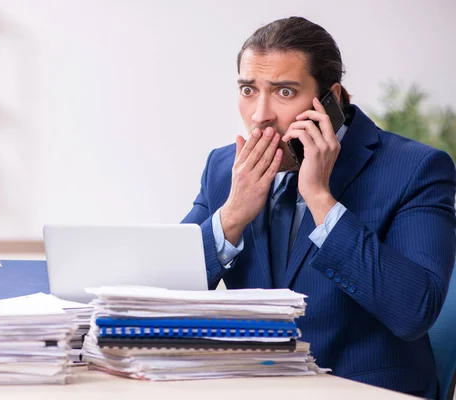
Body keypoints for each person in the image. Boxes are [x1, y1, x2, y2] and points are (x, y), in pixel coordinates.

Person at [181, 16, 456, 398]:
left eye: (284, 92)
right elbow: (161, 294)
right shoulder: (224, 168)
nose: (261, 115)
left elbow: (414, 312)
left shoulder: (417, 169)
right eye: (248, 89)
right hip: (251, 388)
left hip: (365, 390)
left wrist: (321, 200)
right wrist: (230, 217)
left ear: (332, 99)